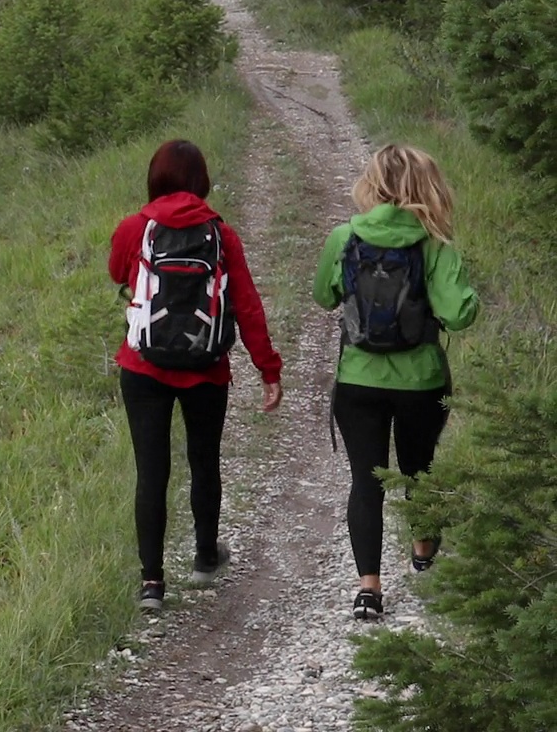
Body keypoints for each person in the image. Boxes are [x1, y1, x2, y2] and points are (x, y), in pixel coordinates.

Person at [109, 139, 283, 611]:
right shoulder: (221, 236)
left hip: (143, 367)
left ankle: (152, 584)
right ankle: (206, 558)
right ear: (201, 180)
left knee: (152, 471)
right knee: (204, 462)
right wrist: (268, 368)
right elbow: (246, 305)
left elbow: (114, 272)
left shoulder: (135, 227)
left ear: (156, 177)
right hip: (207, 368)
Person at [313, 144, 478, 622]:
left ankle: (369, 590)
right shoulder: (434, 243)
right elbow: (458, 314)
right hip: (421, 380)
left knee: (366, 480)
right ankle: (423, 549)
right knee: (419, 470)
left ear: (372, 183)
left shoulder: (344, 235)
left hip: (357, 379)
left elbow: (324, 295)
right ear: (428, 186)